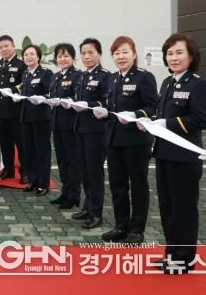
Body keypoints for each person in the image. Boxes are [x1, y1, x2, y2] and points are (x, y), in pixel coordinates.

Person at [142, 33, 206, 274]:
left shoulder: (198, 84)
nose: (173, 57)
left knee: (184, 210)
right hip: (164, 154)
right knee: (168, 208)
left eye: (179, 52)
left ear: (191, 56)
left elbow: (199, 119)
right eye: (169, 53)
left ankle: (184, 259)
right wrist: (149, 121)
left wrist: (166, 124)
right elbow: (161, 113)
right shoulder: (167, 82)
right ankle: (172, 255)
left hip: (185, 157)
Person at [92, 36, 158, 244]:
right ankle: (121, 226)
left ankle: (137, 229)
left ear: (134, 54)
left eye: (125, 52)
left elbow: (153, 107)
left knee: (138, 185)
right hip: (113, 140)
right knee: (117, 185)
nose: (121, 57)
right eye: (117, 53)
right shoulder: (112, 78)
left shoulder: (144, 77)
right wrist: (104, 112)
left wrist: (136, 114)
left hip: (136, 141)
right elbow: (111, 105)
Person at [68, 38, 110, 229]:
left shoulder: (105, 76)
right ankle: (87, 206)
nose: (86, 56)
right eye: (83, 53)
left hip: (96, 130)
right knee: (84, 171)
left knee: (94, 172)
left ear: (99, 54)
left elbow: (107, 102)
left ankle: (96, 213)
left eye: (90, 52)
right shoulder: (82, 76)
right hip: (80, 128)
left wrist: (89, 105)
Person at [46, 43, 82, 209]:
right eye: (59, 56)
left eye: (66, 56)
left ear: (73, 58)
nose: (63, 59)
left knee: (72, 160)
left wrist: (67, 101)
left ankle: (74, 194)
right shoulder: (55, 76)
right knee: (61, 159)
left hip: (70, 124)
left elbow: (78, 97)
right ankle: (65, 191)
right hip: (57, 123)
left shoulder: (78, 76)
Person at [0, 35, 27, 182]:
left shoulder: (21, 64)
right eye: (1, 47)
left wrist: (14, 90)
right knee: (5, 143)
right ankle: (8, 169)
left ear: (13, 46)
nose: (4, 49)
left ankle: (25, 172)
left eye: (6, 46)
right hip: (3, 110)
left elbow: (25, 83)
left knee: (21, 143)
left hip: (17, 110)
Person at [16, 44, 52, 196]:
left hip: (40, 118)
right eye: (26, 55)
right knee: (29, 151)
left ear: (38, 57)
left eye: (32, 54)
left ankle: (43, 184)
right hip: (26, 117)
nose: (29, 57)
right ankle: (33, 181)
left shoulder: (46, 73)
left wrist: (42, 98)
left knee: (41, 152)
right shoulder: (25, 74)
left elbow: (51, 93)